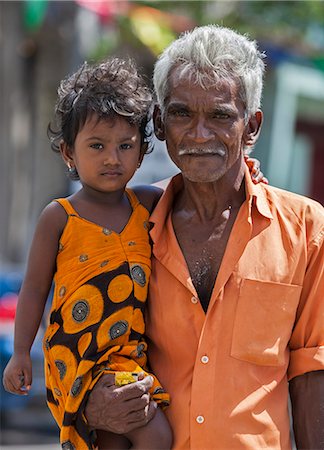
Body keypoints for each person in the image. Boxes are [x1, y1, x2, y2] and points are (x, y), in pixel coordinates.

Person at [84, 25, 324, 450]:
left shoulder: (304, 229)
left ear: (251, 127)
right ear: (159, 123)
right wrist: (89, 405)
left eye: (220, 115)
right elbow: (78, 334)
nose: (199, 134)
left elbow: (312, 375)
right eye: (181, 114)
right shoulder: (125, 225)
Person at [2, 57, 172, 450]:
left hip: (127, 357)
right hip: (78, 353)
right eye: (97, 145)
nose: (112, 158)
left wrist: (247, 169)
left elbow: (194, 191)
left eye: (125, 146)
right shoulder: (59, 217)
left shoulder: (147, 204)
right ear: (68, 153)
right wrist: (21, 353)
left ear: (142, 152)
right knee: (156, 435)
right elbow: (33, 288)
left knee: (114, 439)